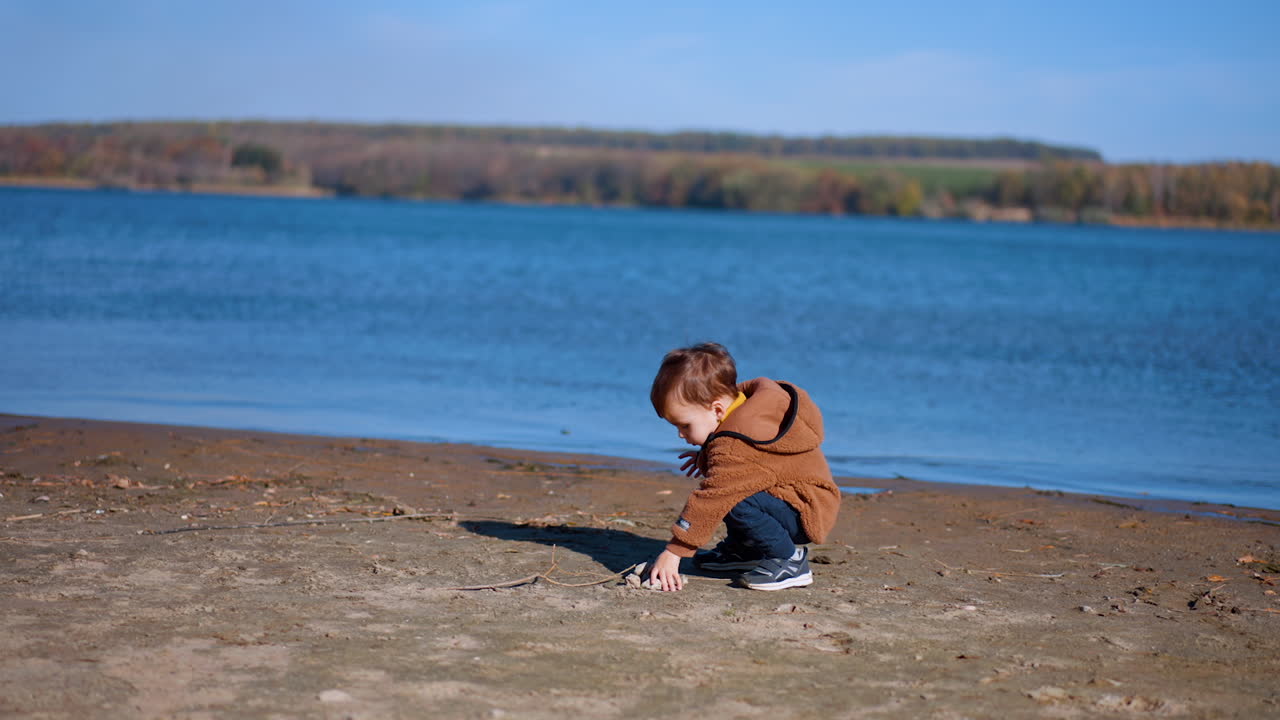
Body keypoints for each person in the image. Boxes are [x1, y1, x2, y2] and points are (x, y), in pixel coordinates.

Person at [645, 342, 841, 591]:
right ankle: (744, 551)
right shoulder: (748, 407)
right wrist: (705, 457)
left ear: (717, 409)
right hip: (802, 499)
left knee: (732, 498)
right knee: (734, 487)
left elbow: (714, 495)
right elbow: (753, 461)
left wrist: (675, 551)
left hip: (803, 511)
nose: (680, 435)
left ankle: (788, 561)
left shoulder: (735, 443)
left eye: (684, 425)